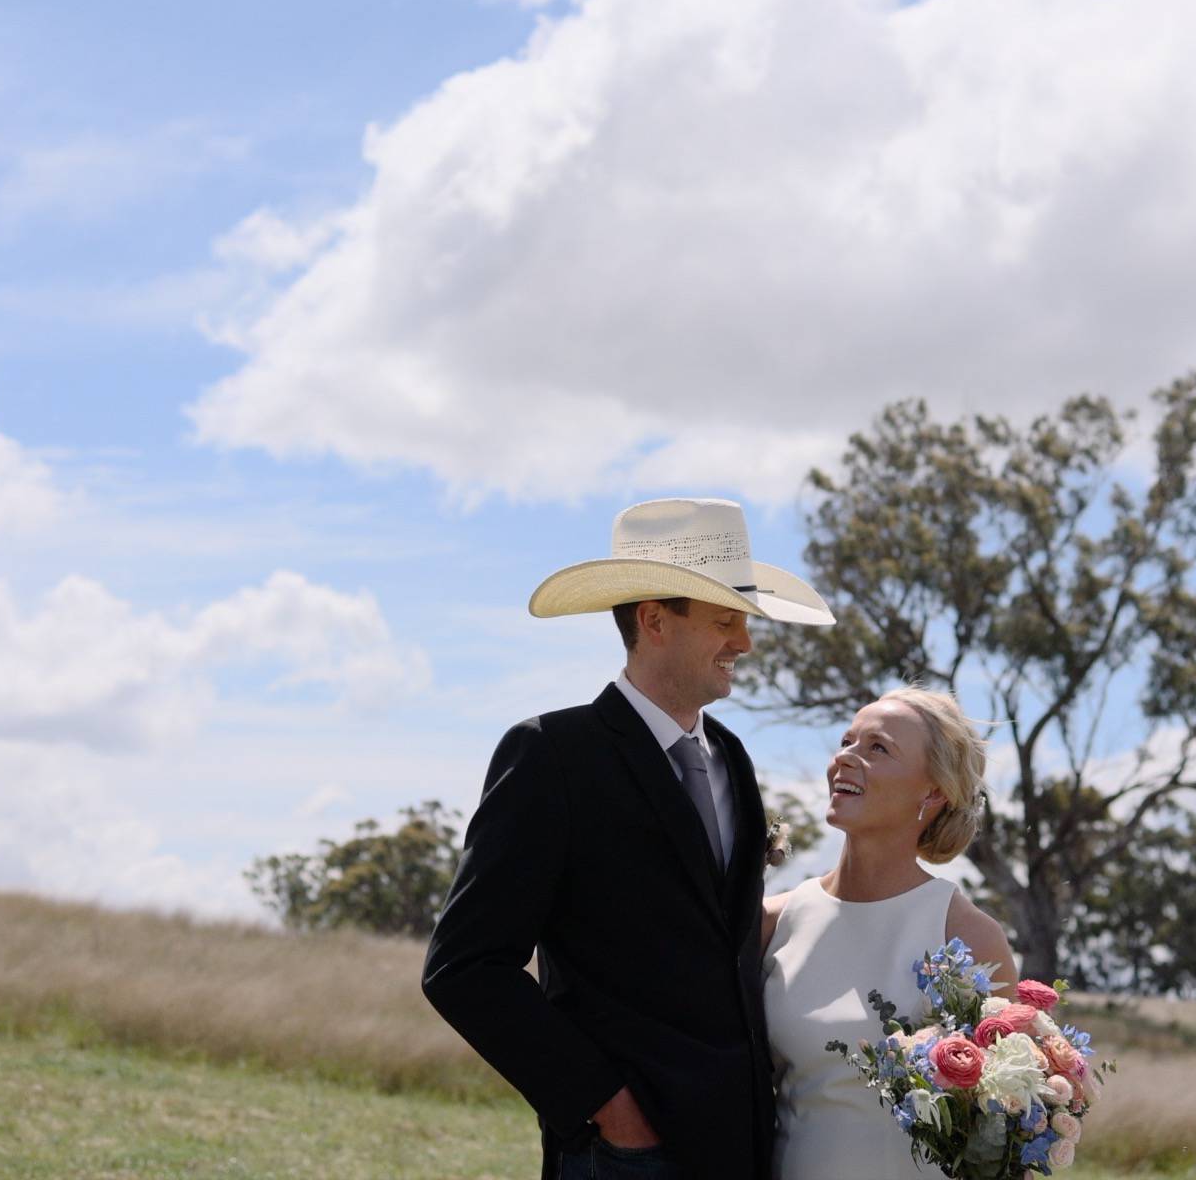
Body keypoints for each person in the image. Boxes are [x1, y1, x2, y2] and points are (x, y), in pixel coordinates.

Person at [423, 497, 835, 1180]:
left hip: (743, 1148)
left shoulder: (733, 756)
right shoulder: (553, 754)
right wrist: (607, 1108)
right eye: (725, 619)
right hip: (624, 1158)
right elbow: (464, 968)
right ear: (654, 621)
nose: (746, 642)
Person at [761, 687, 1016, 1180]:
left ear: (935, 791)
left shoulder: (968, 937)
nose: (845, 759)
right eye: (847, 741)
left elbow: (1006, 1138)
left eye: (877, 748)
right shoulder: (772, 922)